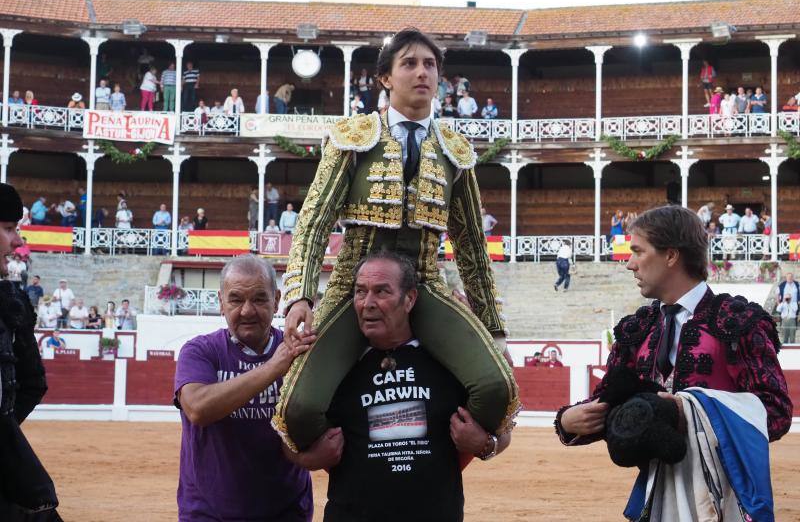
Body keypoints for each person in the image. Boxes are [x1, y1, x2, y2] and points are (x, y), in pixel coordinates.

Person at [274, 28, 517, 455]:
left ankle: (430, 456)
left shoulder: (455, 150)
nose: (421, 72)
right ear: (385, 77)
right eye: (409, 63)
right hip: (355, 284)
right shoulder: (353, 136)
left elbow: (473, 246)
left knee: (497, 386)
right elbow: (313, 221)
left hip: (423, 284)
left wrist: (494, 329)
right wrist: (300, 296)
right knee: (299, 407)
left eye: (429, 64)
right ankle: (365, 455)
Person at [554, 205, 791, 519]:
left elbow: (775, 411)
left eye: (638, 251)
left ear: (670, 255)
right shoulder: (636, 330)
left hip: (728, 495)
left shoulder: (737, 322)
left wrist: (689, 412)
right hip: (658, 494)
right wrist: (568, 421)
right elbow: (609, 403)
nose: (630, 264)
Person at [288, 252, 510, 522]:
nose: (368, 303)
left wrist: (486, 445)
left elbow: (502, 431)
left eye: (382, 292)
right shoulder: (333, 366)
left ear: (410, 299)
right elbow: (286, 436)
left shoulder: (450, 362)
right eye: (360, 292)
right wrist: (306, 460)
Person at [174, 255, 320, 521]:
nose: (247, 310)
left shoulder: (301, 352)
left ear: (277, 300)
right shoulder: (200, 351)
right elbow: (197, 408)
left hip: (286, 511)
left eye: (259, 299)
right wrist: (273, 367)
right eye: (236, 299)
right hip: (208, 513)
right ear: (221, 302)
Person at [0, 183, 58, 518]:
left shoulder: (9, 302)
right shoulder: (8, 303)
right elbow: (31, 384)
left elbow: (31, 384)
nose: (18, 241)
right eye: (8, 229)